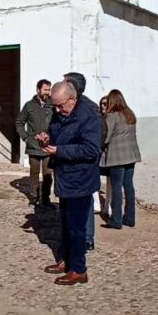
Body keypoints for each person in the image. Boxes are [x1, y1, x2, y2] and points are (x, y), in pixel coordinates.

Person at [40, 81, 101, 285]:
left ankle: (78, 269)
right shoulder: (61, 113)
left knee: (76, 227)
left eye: (60, 106)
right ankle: (65, 259)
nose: (57, 110)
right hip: (64, 176)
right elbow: (55, 131)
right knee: (65, 223)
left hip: (81, 178)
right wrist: (46, 138)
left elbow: (91, 149)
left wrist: (59, 151)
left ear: (72, 99)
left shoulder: (89, 117)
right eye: (54, 106)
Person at [62, 72, 102, 251]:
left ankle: (86, 239)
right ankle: (77, 239)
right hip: (69, 163)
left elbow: (99, 136)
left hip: (83, 163)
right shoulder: (68, 106)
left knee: (85, 202)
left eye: (64, 84)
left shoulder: (87, 109)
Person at [100, 90, 141, 229]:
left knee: (116, 187)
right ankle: (130, 217)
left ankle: (116, 219)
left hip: (117, 156)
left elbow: (106, 136)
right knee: (128, 186)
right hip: (131, 155)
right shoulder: (130, 114)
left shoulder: (112, 116)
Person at [16, 79, 54, 207]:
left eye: (49, 90)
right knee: (34, 173)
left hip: (48, 145)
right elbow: (19, 123)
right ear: (38, 90)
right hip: (33, 145)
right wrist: (26, 137)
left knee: (48, 174)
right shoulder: (29, 106)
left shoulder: (53, 105)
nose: (47, 92)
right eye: (45, 90)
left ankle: (46, 198)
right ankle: (34, 197)